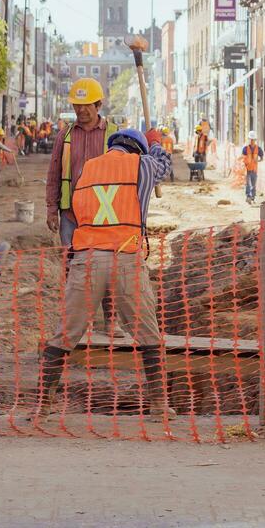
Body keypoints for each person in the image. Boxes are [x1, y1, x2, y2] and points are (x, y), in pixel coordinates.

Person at [35, 128, 174, 417]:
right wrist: (157, 142)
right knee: (149, 334)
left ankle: (42, 407)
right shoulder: (142, 164)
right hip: (125, 258)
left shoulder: (89, 169)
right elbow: (164, 165)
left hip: (87, 259)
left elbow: (76, 210)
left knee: (65, 334)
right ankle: (160, 406)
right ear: (138, 149)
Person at [46, 78, 117, 250]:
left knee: (99, 266)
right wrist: (51, 210)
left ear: (98, 105)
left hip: (103, 216)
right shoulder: (65, 136)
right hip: (71, 217)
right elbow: (54, 175)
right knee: (72, 268)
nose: (81, 110)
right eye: (77, 105)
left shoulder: (114, 135)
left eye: (86, 105)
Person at [242, 130, 265, 203]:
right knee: (248, 184)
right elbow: (243, 158)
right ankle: (248, 196)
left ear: (255, 140)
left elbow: (262, 157)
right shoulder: (245, 149)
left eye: (253, 140)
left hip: (254, 170)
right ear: (249, 139)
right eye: (251, 139)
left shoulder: (258, 149)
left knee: (253, 184)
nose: (252, 141)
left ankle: (252, 197)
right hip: (248, 169)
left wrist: (258, 161)